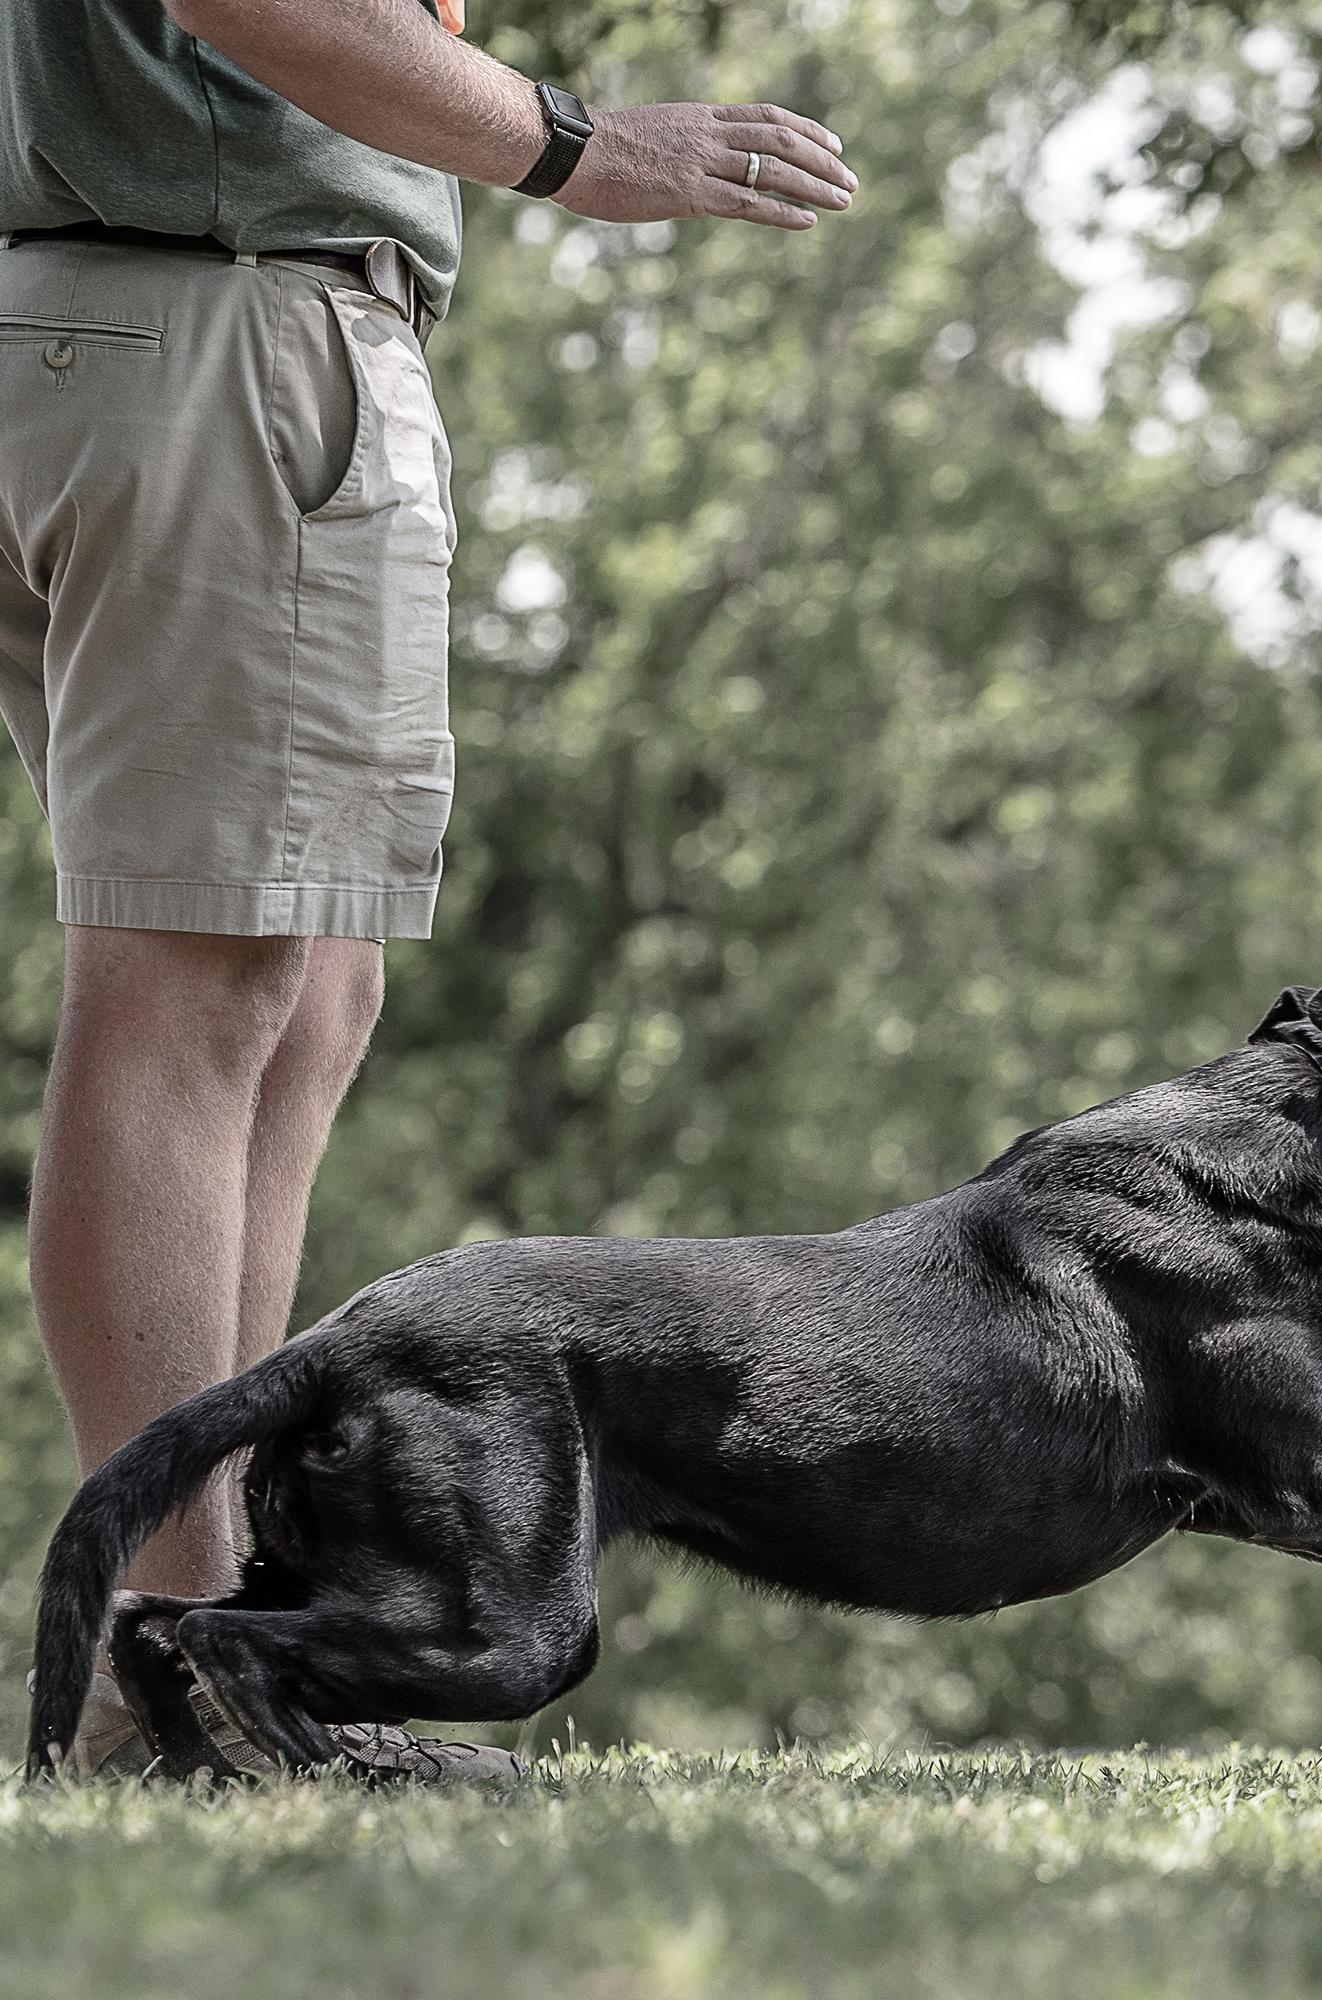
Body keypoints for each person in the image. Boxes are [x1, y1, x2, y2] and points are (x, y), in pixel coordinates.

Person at [0, 0, 858, 1780]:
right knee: (200, 984)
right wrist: (577, 143)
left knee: (303, 986)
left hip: (145, 312)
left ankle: (201, 1657)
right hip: (215, 311)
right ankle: (177, 1679)